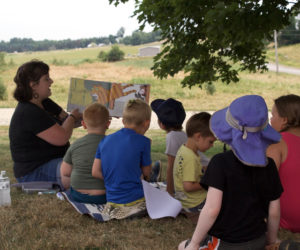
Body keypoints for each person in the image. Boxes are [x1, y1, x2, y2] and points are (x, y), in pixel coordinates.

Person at [179, 95, 283, 250]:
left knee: (182, 246)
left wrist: (194, 243)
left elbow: (212, 210)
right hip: (257, 241)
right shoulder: (269, 165)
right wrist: (271, 240)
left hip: (225, 244)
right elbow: (274, 211)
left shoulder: (220, 162)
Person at [9, 60, 82, 189]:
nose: (51, 82)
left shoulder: (45, 103)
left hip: (55, 163)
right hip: (34, 172)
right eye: (46, 79)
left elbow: (68, 123)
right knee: (84, 167)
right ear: (33, 85)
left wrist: (97, 114)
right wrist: (73, 116)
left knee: (89, 161)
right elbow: (62, 137)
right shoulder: (28, 112)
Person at [92, 99, 152, 219]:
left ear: (123, 121)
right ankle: (132, 208)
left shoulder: (105, 140)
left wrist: (116, 179)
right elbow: (147, 173)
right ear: (146, 123)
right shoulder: (144, 142)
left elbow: (95, 172)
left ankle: (116, 209)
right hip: (135, 197)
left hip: (111, 199)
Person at [151, 98, 210, 195]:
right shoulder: (181, 134)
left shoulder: (172, 136)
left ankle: (155, 178)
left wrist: (169, 193)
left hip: (202, 175)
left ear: (161, 124)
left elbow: (171, 168)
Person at [60, 103, 110, 204]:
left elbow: (65, 172)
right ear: (108, 124)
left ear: (83, 125)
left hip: (79, 195)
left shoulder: (75, 145)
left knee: (65, 175)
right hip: (107, 196)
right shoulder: (114, 144)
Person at [267, 94, 300, 233]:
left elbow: (264, 181)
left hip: (287, 220)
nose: (270, 119)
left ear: (284, 120)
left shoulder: (277, 143)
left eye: (273, 115)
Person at [174, 112, 216, 213]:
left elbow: (190, 172)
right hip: (195, 203)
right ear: (198, 136)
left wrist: (205, 169)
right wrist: (208, 183)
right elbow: (188, 186)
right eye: (211, 142)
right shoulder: (190, 158)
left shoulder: (184, 150)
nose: (212, 146)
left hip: (185, 201)